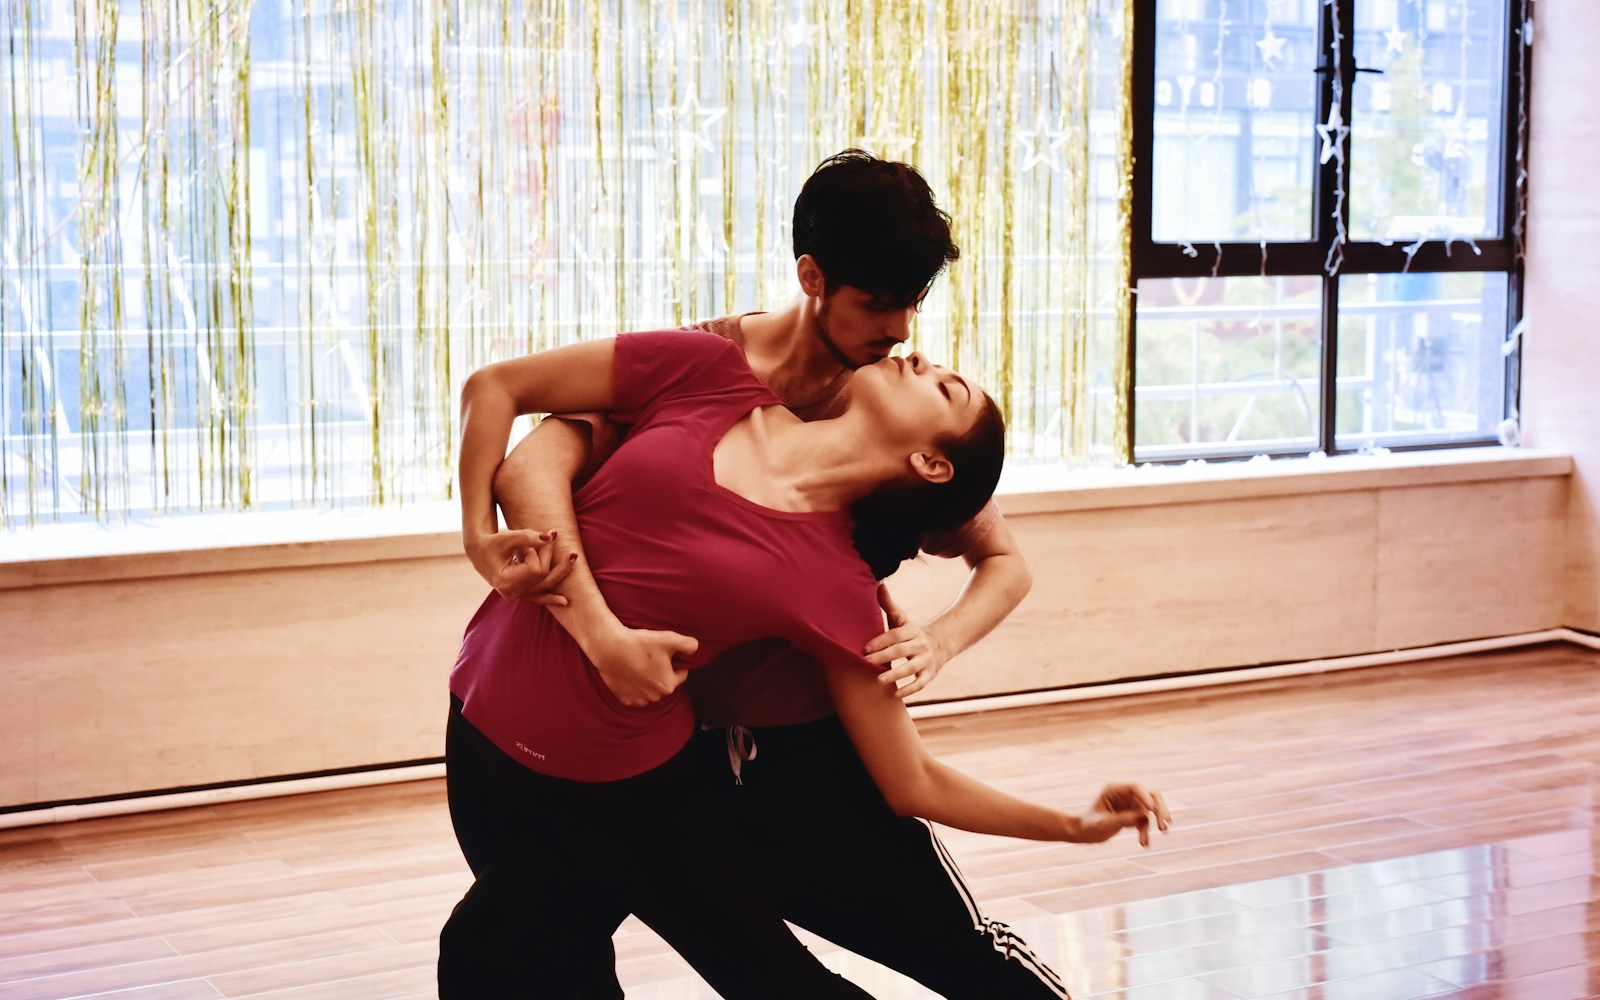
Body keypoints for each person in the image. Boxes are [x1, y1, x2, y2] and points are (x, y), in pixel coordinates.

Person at [471, 152, 1170, 998]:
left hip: (801, 746)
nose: (906, 331)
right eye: (882, 304)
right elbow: (526, 462)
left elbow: (1003, 565)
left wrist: (934, 643)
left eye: (915, 303)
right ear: (814, 278)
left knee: (925, 950)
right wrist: (592, 627)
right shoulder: (708, 365)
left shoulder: (868, 509)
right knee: (516, 949)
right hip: (638, 735)